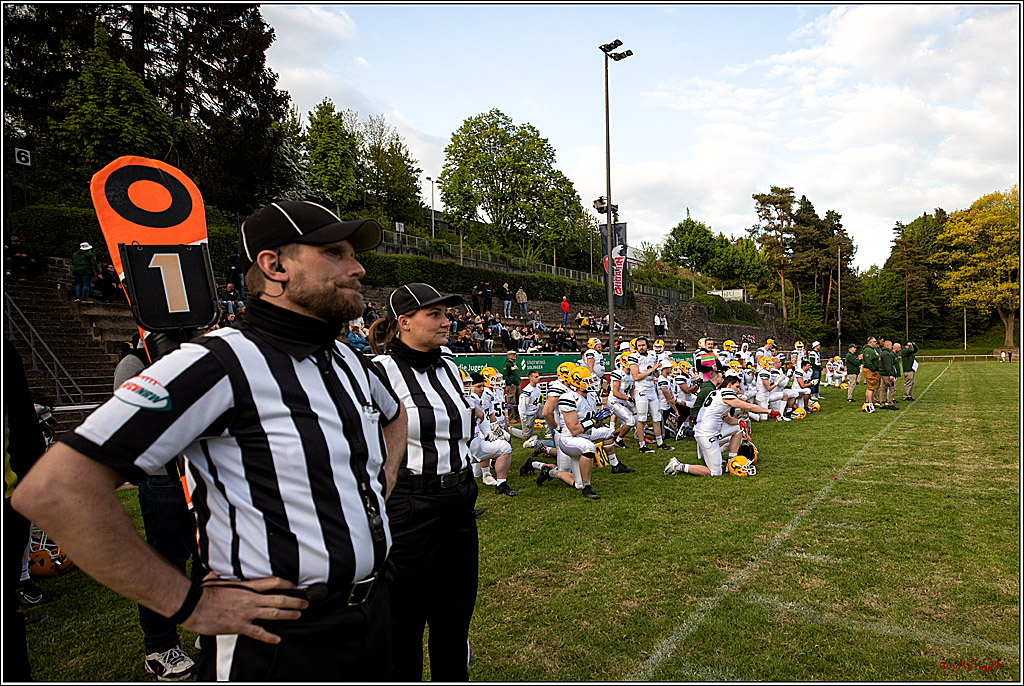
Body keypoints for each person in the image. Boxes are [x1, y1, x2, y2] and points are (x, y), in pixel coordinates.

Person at [12, 200, 408, 681]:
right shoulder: (217, 361)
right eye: (334, 252)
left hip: (374, 610)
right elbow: (55, 489)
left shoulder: (345, 359)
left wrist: (378, 490)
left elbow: (394, 416)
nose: (357, 266)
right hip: (281, 638)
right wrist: (188, 604)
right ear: (274, 265)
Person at [368, 283, 478, 681]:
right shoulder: (378, 372)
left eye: (447, 314)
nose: (447, 321)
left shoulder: (449, 366)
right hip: (411, 506)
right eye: (435, 314)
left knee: (454, 618)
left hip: (460, 504)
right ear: (404, 322)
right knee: (404, 624)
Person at [113, 334, 200, 680]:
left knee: (208, 557)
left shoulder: (194, 356)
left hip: (198, 475)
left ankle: (205, 629)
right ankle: (160, 647)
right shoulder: (134, 364)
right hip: (163, 478)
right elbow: (130, 425)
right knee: (166, 562)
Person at [664, 372, 777, 477]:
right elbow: (748, 406)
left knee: (738, 429)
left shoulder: (717, 393)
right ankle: (678, 466)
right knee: (715, 472)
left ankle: (730, 463)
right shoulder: (726, 393)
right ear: (729, 385)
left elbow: (727, 418)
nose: (738, 390)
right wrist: (769, 411)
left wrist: (739, 422)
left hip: (710, 431)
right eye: (737, 387)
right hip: (707, 435)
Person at [860, 337, 882, 413]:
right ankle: (869, 402)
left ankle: (869, 402)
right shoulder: (868, 350)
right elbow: (868, 361)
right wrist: (873, 369)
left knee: (871, 386)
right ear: (870, 342)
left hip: (873, 370)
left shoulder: (872, 350)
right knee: (871, 387)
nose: (876, 343)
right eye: (874, 341)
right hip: (870, 371)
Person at [878, 339, 898, 410]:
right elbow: (888, 365)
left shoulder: (882, 353)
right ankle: (890, 403)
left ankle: (882, 404)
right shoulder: (887, 354)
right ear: (887, 345)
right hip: (886, 374)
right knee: (892, 388)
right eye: (890, 345)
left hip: (882, 373)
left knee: (882, 389)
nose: (892, 346)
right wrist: (891, 374)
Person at [503, 350, 522, 419]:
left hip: (517, 384)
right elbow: (505, 375)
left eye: (515, 354)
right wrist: (510, 383)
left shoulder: (515, 363)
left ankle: (516, 416)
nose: (515, 356)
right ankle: (511, 417)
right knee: (511, 401)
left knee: (517, 401)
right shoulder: (507, 364)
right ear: (509, 356)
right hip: (511, 385)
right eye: (513, 355)